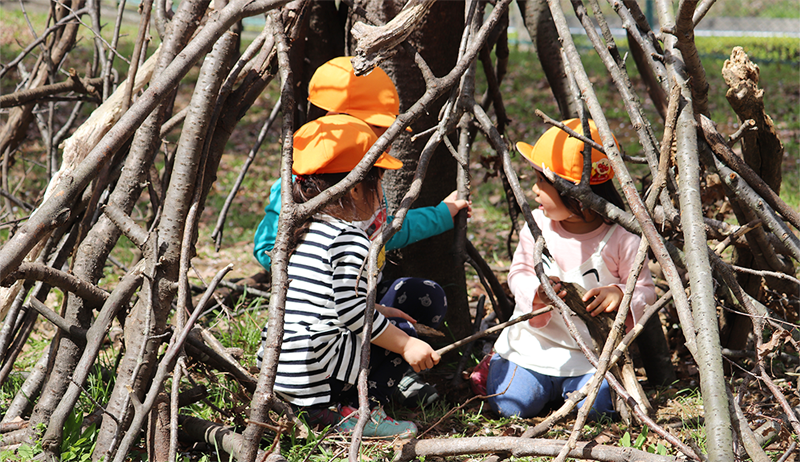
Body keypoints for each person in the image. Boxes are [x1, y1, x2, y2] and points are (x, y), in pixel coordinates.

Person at [253, 57, 470, 406]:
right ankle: (364, 398)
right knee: (402, 334)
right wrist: (314, 283)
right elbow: (267, 248)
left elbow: (388, 232)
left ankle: (392, 377)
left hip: (356, 295)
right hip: (321, 316)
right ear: (339, 123)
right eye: (374, 127)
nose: (381, 139)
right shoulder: (304, 178)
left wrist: (442, 215)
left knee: (419, 298)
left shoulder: (364, 183)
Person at [256, 115, 442, 439]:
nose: (381, 190)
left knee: (386, 322)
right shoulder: (350, 238)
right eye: (379, 181)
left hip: (280, 371)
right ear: (356, 188)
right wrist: (407, 343)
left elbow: (327, 299)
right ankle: (361, 411)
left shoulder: (303, 228)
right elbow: (353, 314)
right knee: (402, 330)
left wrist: (381, 310)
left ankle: (317, 409)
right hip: (315, 367)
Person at [484, 119, 656, 419]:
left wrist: (619, 295)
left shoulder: (621, 239)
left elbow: (644, 290)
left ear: (574, 194)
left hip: (591, 358)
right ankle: (514, 373)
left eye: (542, 182)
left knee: (601, 410)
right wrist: (536, 295)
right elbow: (519, 271)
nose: (534, 191)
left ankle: (571, 392)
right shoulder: (537, 227)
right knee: (510, 405)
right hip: (535, 348)